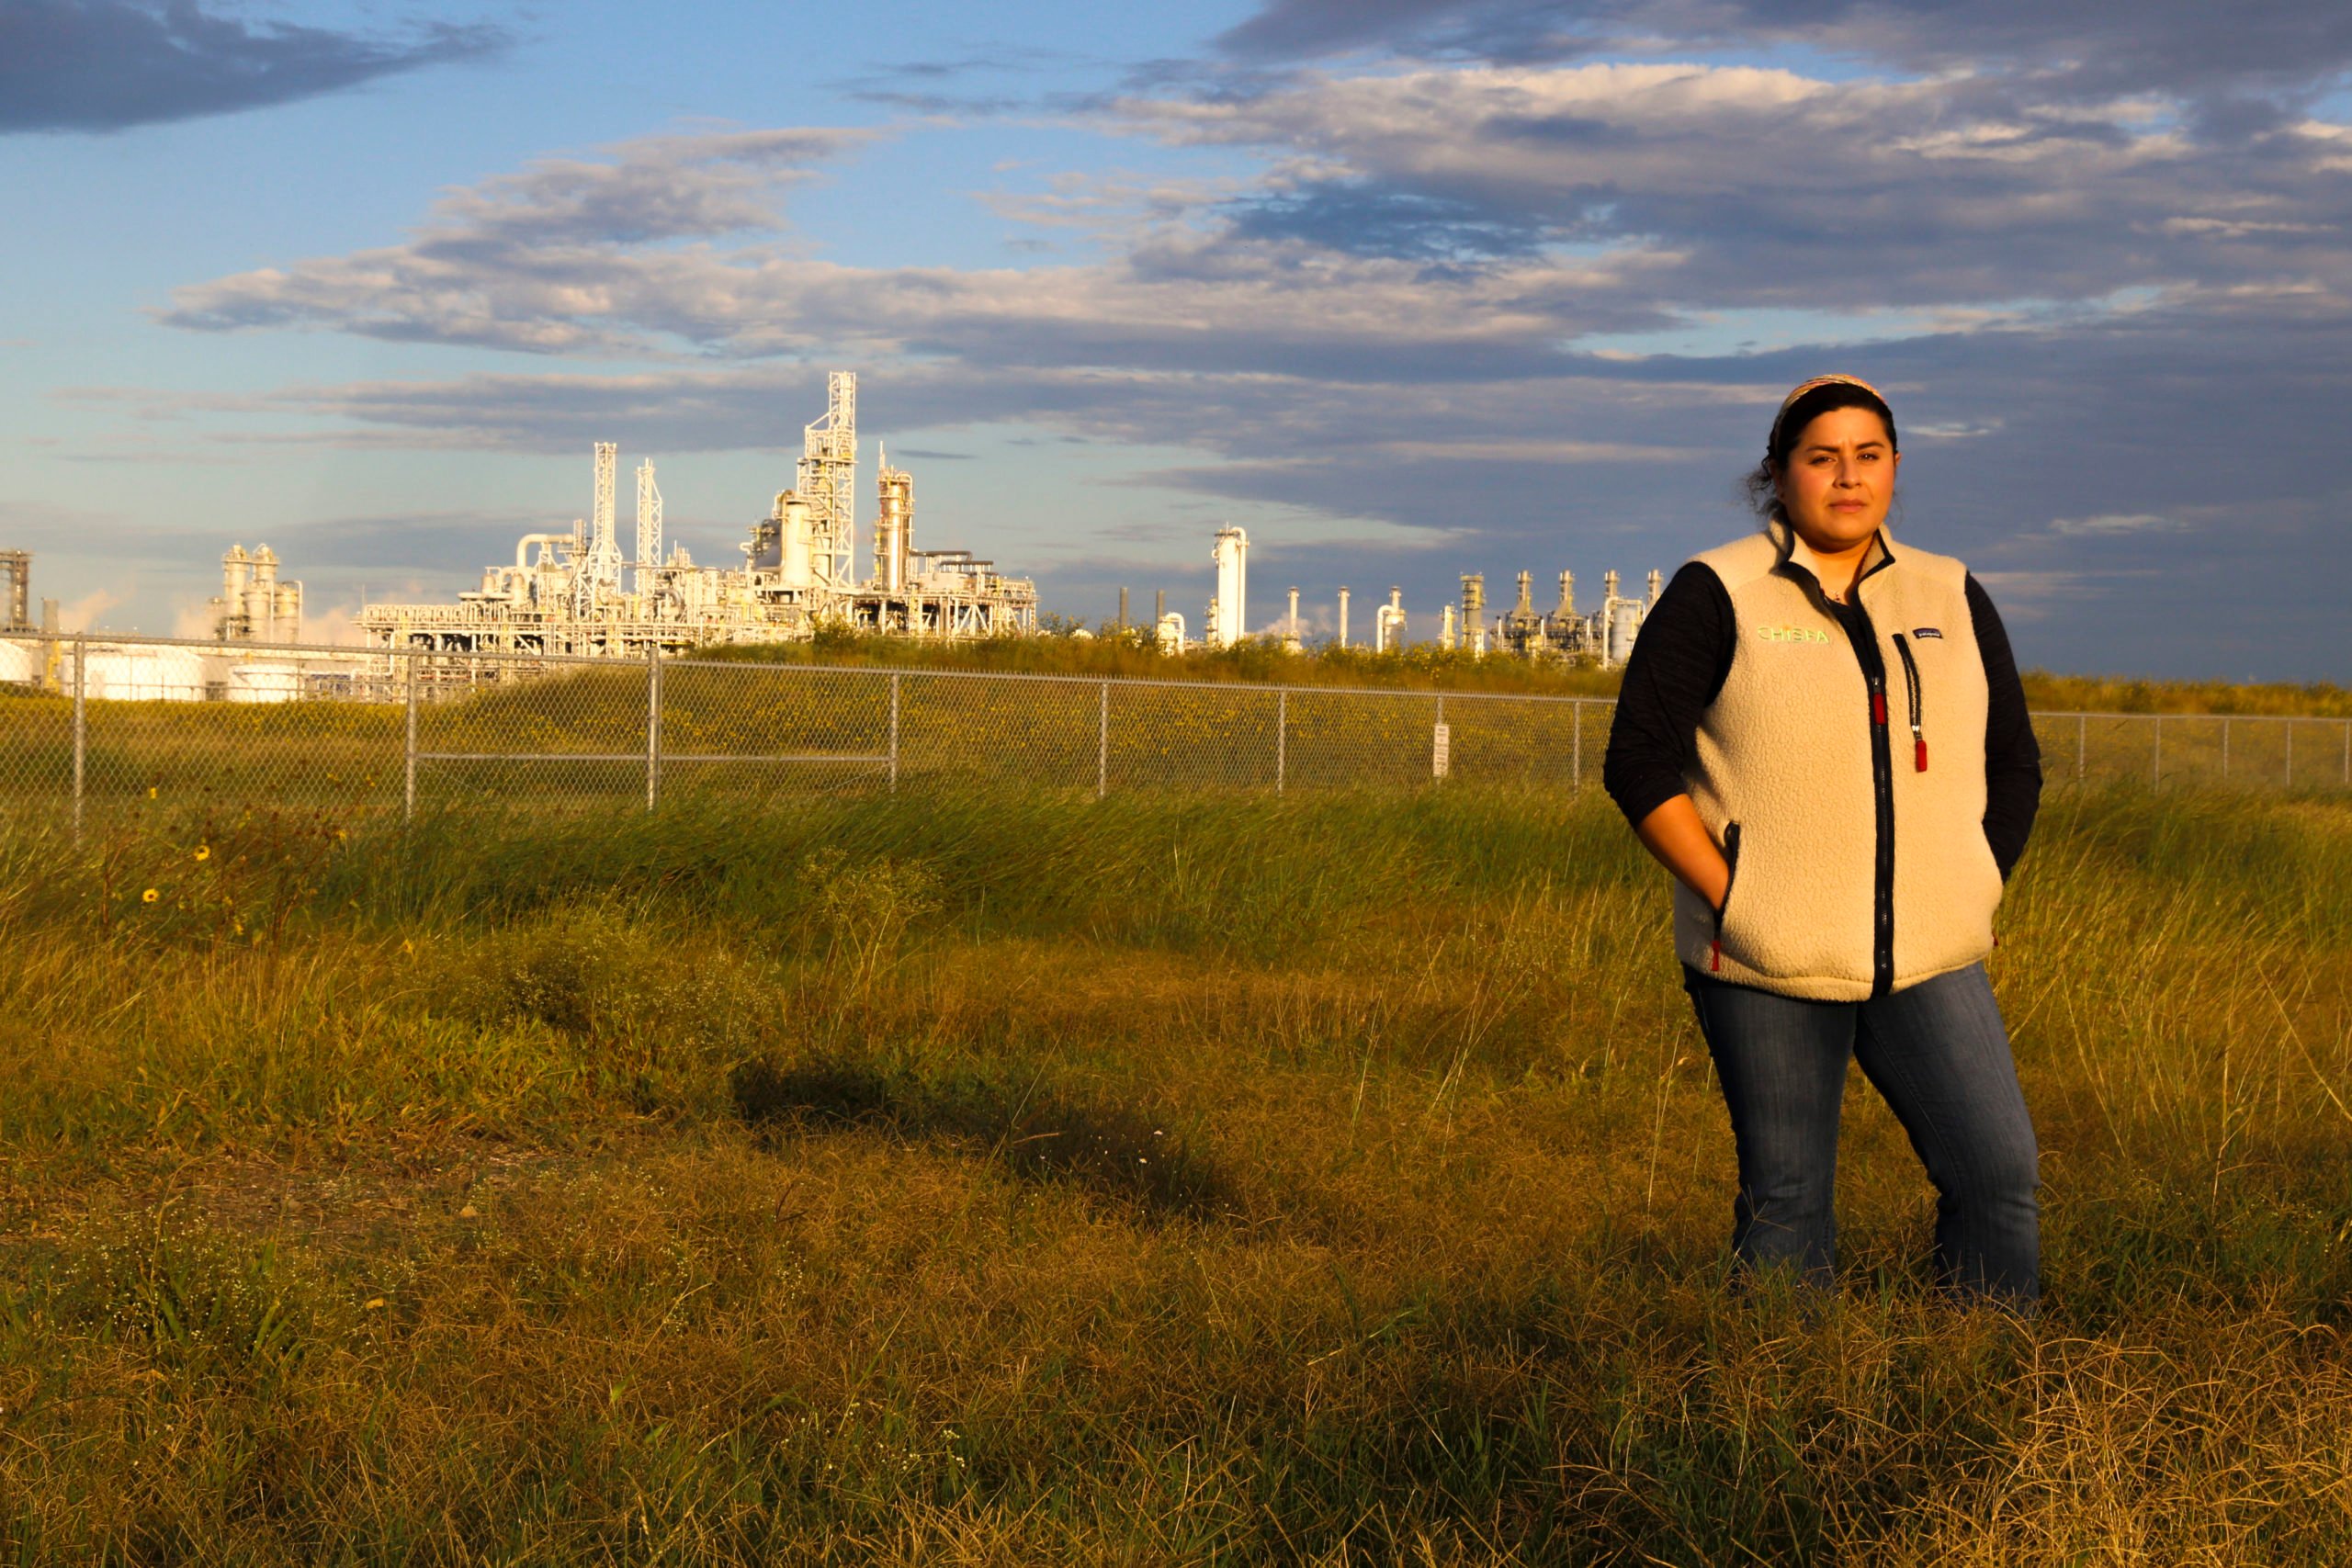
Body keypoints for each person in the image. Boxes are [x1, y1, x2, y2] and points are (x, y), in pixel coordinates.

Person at [1600, 374, 2043, 1305]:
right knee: (1788, 1202)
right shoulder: (1716, 590)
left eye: (1868, 455)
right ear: (1779, 473)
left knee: (1997, 1180)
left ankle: (1980, 1391)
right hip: (1766, 958)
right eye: (1822, 457)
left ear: (1894, 468)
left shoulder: (1950, 592)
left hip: (1932, 952)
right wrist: (1738, 900)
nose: (1848, 477)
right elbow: (1639, 763)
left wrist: (1971, 886)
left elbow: (2014, 766)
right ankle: (1774, 1416)